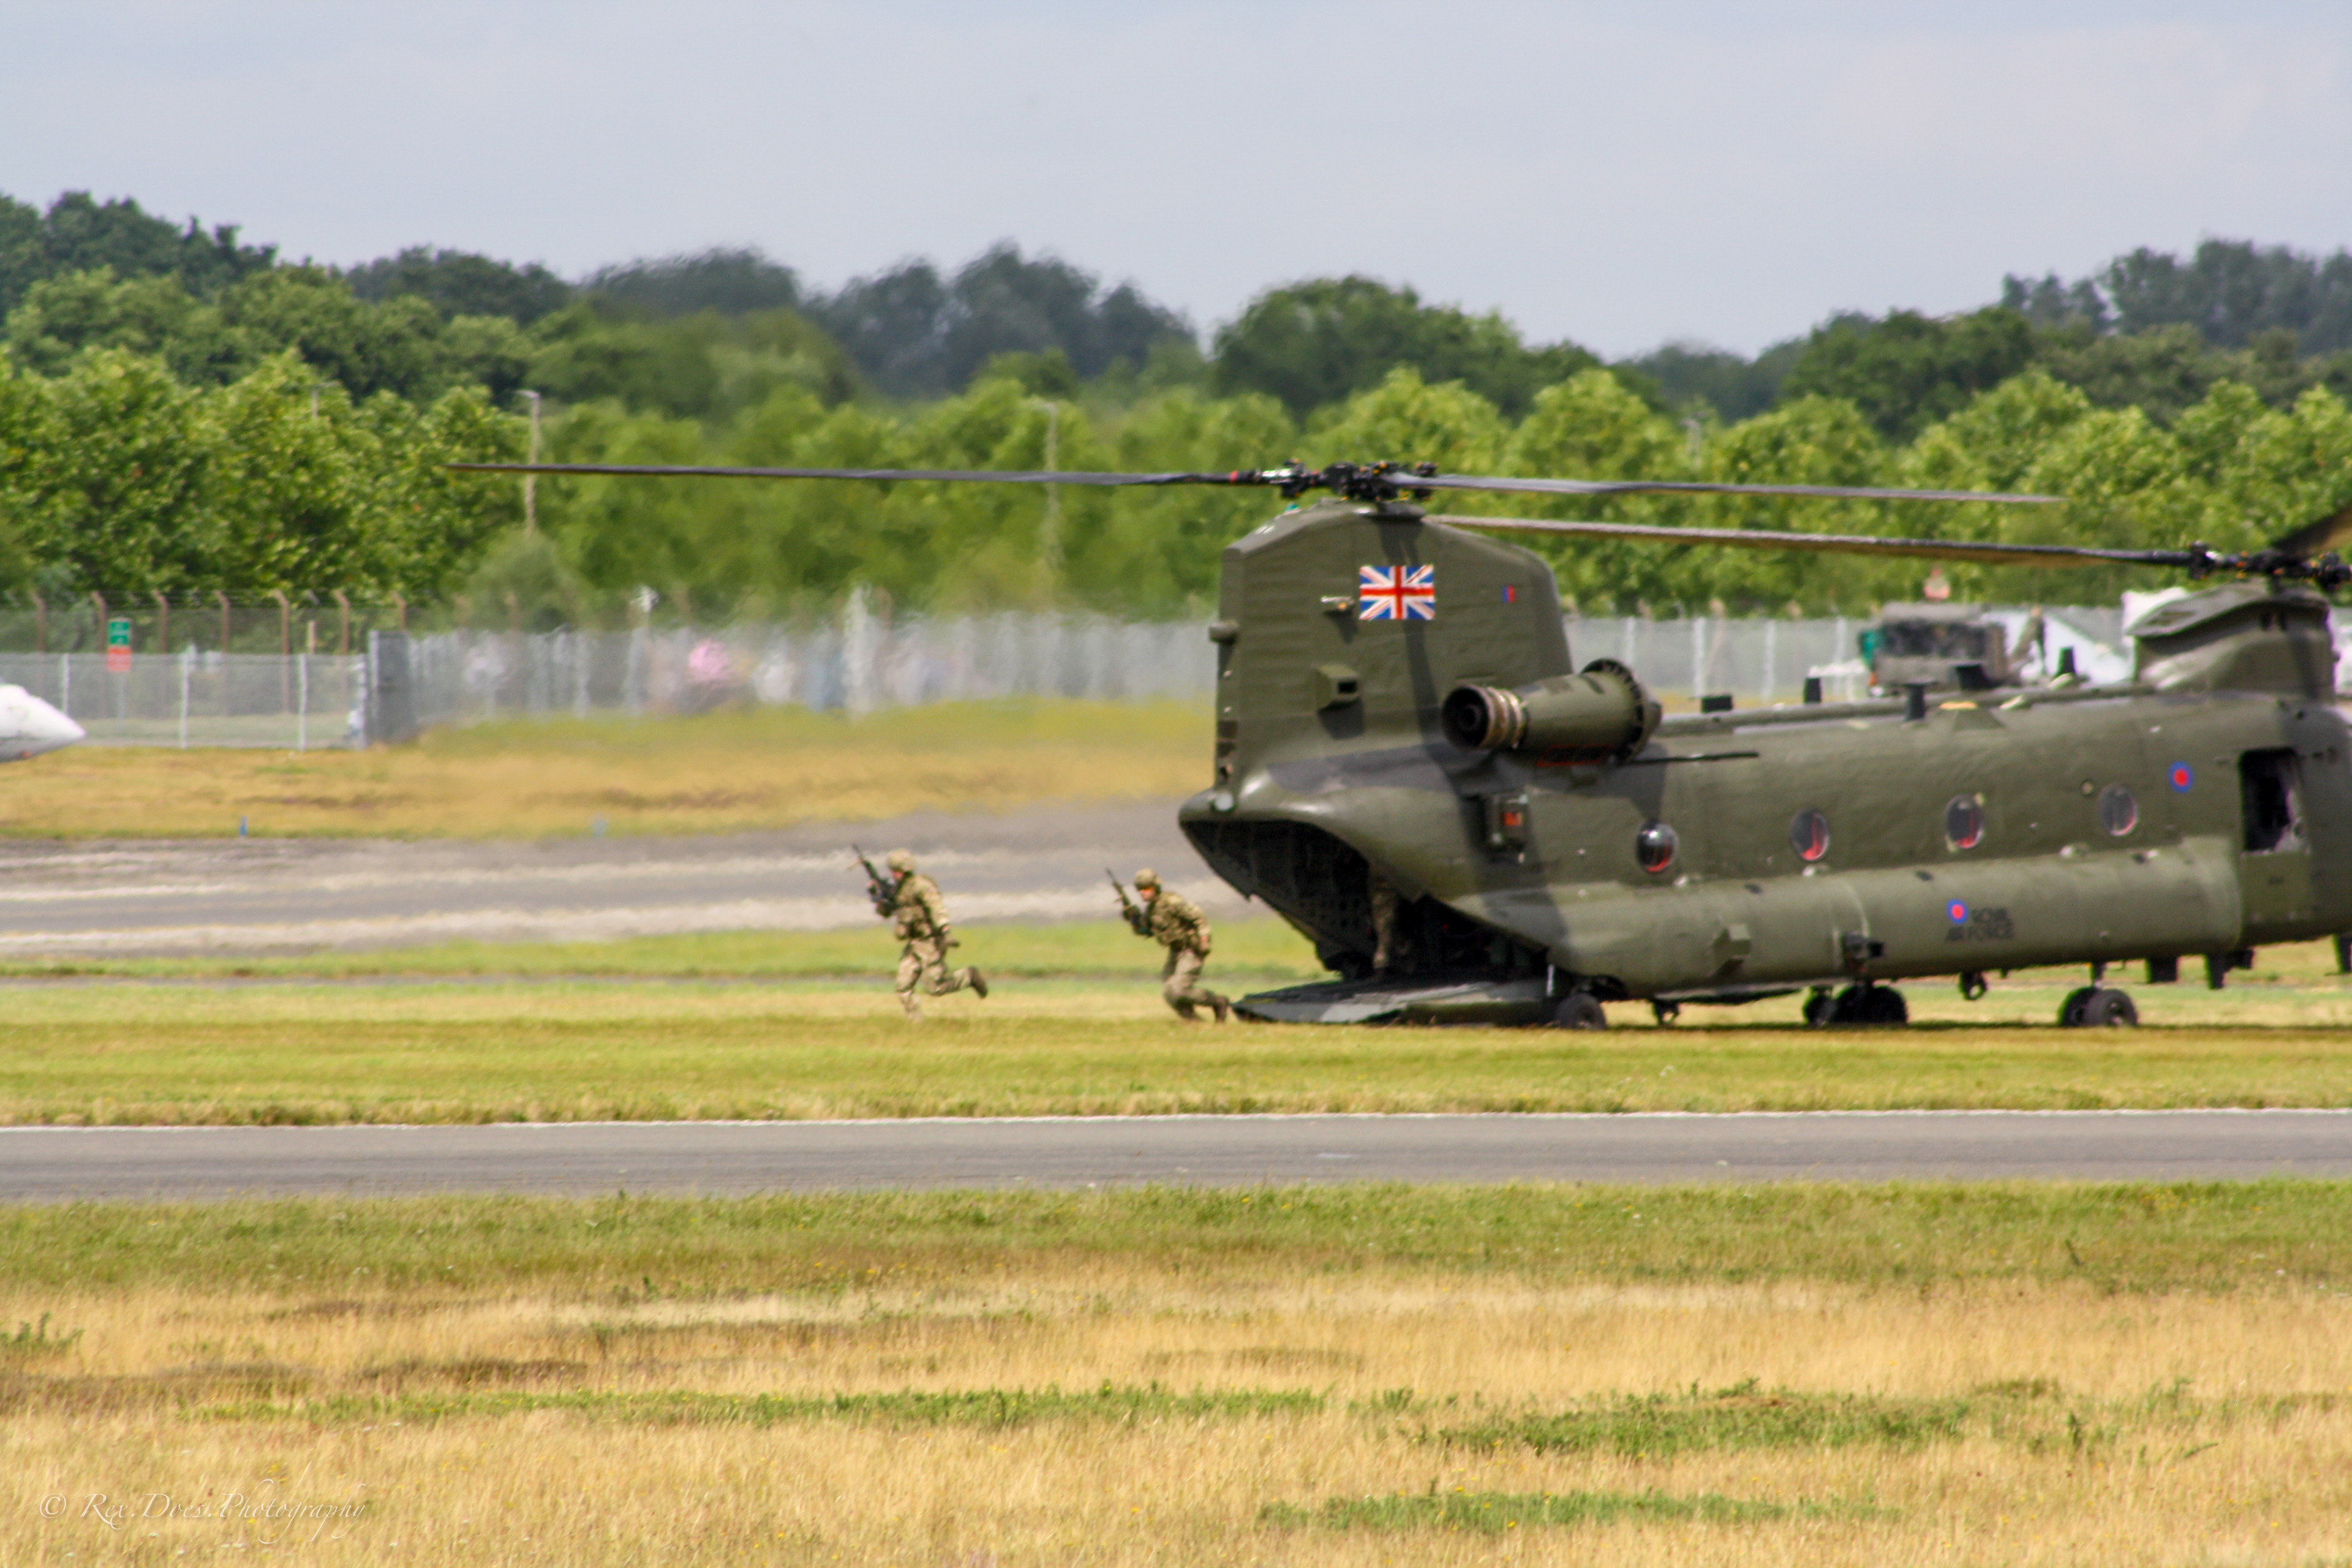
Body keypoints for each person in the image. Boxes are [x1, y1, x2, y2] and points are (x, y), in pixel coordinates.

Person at [881, 849, 987, 1021]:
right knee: (903, 986)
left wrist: (945, 930)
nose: (894, 874)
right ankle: (916, 1025)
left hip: (931, 942)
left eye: (896, 871)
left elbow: (936, 907)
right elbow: (888, 911)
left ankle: (968, 977)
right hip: (914, 944)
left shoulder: (922, 886)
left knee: (936, 987)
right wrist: (881, 900)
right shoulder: (898, 890)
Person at [1125, 868, 1229, 1023]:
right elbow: (1146, 931)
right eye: (1140, 890)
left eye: (1147, 888)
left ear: (1156, 887)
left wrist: (1204, 941)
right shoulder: (1152, 910)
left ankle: (1217, 1002)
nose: (1143, 893)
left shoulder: (1172, 902)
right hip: (1175, 952)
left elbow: (1199, 918)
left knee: (1179, 989)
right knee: (1170, 993)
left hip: (1191, 949)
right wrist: (1133, 919)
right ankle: (1194, 1022)